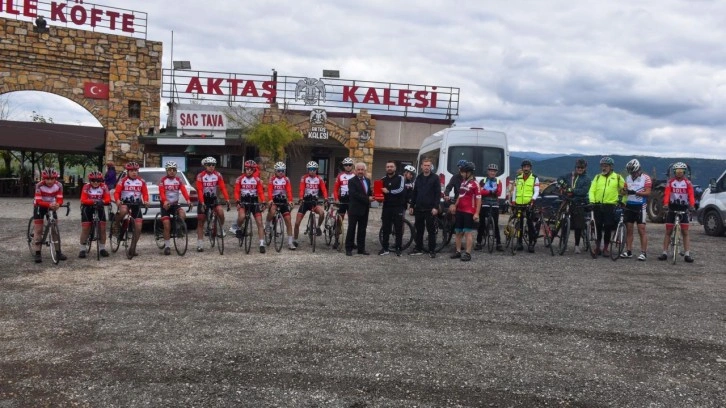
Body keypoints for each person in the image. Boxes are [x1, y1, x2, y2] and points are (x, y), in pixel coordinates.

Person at [588, 157, 626, 257]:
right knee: (598, 227)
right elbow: (592, 190)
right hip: (598, 204)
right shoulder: (597, 177)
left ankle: (605, 248)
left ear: (611, 167)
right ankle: (597, 247)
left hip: (610, 205)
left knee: (608, 227)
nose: (604, 168)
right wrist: (592, 201)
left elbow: (625, 191)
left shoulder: (618, 177)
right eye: (602, 166)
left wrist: (623, 201)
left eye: (606, 166)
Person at [658, 162, 696, 263]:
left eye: (681, 171)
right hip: (672, 207)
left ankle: (687, 254)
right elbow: (667, 194)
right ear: (674, 172)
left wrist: (692, 205)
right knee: (668, 231)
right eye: (677, 171)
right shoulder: (670, 182)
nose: (679, 172)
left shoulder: (688, 183)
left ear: (684, 172)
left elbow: (691, 195)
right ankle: (664, 253)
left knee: (685, 232)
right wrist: (665, 204)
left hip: (683, 207)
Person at [113, 162, 149, 256]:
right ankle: (116, 224)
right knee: (123, 210)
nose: (134, 172)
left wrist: (146, 201)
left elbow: (145, 193)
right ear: (128, 172)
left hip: (136, 205)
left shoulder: (141, 181)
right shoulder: (123, 181)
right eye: (132, 171)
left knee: (138, 227)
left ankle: (133, 248)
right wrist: (117, 200)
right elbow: (116, 193)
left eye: (136, 171)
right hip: (125, 203)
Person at [32, 167, 67, 263]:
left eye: (52, 179)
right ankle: (37, 253)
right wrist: (49, 205)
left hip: (52, 206)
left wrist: (58, 204)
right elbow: (38, 201)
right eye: (47, 179)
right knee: (38, 230)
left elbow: (60, 198)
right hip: (40, 206)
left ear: (55, 178)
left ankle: (58, 252)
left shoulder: (59, 185)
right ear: (44, 178)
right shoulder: (39, 185)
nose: (50, 181)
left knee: (54, 230)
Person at [195, 157, 230, 252]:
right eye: (209, 165)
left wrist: (227, 199)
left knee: (220, 212)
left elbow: (223, 188)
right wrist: (202, 202)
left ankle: (219, 228)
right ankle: (200, 244)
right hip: (203, 199)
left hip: (213, 198)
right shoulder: (200, 176)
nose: (211, 166)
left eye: (213, 165)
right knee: (201, 221)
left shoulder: (218, 175)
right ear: (205, 166)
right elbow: (199, 190)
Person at [556, 158, 591, 254]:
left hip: (579, 203)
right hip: (567, 201)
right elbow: (559, 179)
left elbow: (583, 191)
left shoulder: (587, 179)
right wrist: (564, 185)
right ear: (575, 167)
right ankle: (563, 243)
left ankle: (577, 245)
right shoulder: (570, 175)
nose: (580, 169)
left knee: (578, 226)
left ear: (585, 168)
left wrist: (572, 190)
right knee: (564, 223)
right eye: (578, 167)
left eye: (582, 167)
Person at [233, 160, 267, 253]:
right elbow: (236, 191)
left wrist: (263, 201)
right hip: (243, 201)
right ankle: (238, 228)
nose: (249, 171)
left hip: (254, 201)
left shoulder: (257, 180)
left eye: (251, 169)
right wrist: (237, 200)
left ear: (254, 170)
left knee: (259, 222)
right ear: (245, 169)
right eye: (247, 169)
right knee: (242, 216)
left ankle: (261, 244)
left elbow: (260, 192)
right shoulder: (240, 179)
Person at [409, 158, 440, 258]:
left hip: (430, 209)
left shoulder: (435, 178)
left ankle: (432, 250)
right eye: (425, 165)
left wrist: (436, 207)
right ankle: (419, 248)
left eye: (428, 165)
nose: (426, 167)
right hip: (419, 208)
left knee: (431, 231)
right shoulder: (418, 177)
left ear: (431, 166)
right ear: (421, 166)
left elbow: (437, 194)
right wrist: (412, 205)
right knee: (419, 230)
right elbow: (415, 192)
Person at [158, 161, 191, 256]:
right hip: (165, 205)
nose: (172, 171)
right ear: (167, 171)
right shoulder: (163, 180)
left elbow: (183, 190)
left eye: (174, 170)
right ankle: (167, 246)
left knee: (182, 214)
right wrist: (165, 201)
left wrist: (188, 200)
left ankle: (178, 228)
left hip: (175, 204)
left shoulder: (178, 180)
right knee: (167, 225)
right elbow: (161, 192)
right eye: (170, 170)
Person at [294, 161, 328, 248]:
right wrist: (301, 197)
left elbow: (324, 189)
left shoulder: (319, 179)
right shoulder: (304, 178)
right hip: (305, 202)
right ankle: (295, 239)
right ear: (308, 170)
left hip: (314, 202)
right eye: (310, 169)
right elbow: (301, 188)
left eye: (314, 169)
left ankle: (318, 227)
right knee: (297, 223)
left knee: (322, 213)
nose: (312, 171)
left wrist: (326, 198)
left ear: (316, 170)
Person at [622, 159, 651, 261]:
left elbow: (648, 192)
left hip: (640, 206)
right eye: (630, 172)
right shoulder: (627, 178)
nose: (632, 174)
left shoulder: (646, 178)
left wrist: (636, 193)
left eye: (634, 172)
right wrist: (624, 191)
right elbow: (624, 191)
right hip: (629, 205)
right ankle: (628, 251)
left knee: (641, 229)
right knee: (629, 229)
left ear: (638, 169)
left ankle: (643, 252)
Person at [451, 162, 481, 261]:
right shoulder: (463, 182)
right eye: (461, 172)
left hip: (469, 211)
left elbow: (479, 200)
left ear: (469, 172)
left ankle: (468, 253)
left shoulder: (475, 184)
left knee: (467, 232)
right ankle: (458, 251)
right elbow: (460, 196)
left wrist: (477, 213)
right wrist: (455, 205)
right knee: (458, 232)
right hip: (460, 210)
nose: (462, 174)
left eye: (463, 172)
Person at [78, 170, 111, 258]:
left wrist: (102, 202)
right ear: (90, 181)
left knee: (102, 229)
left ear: (101, 181)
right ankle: (82, 249)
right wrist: (95, 201)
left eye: (98, 180)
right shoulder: (86, 187)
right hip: (87, 208)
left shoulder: (104, 187)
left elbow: (108, 199)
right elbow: (83, 199)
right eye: (93, 180)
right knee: (86, 229)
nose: (96, 182)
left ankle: (102, 249)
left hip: (99, 207)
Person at [345, 162, 374, 256]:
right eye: (358, 169)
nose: (360, 171)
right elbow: (354, 194)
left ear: (365, 171)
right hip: (354, 209)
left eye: (362, 170)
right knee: (351, 229)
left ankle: (361, 249)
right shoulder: (351, 181)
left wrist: (374, 195)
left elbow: (368, 193)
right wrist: (367, 198)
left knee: (362, 230)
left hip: (364, 209)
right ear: (355, 170)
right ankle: (348, 249)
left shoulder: (368, 180)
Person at [511, 160, 540, 253]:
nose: (526, 168)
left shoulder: (534, 178)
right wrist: (513, 201)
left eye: (528, 167)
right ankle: (519, 243)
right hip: (519, 203)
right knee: (519, 224)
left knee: (530, 224)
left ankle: (531, 244)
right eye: (524, 167)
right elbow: (515, 190)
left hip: (529, 203)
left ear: (530, 168)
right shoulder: (518, 178)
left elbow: (536, 191)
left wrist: (533, 199)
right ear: (522, 168)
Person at [266, 161, 296, 250]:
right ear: (275, 171)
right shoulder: (272, 179)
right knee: (272, 211)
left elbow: (289, 190)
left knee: (288, 221)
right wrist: (270, 199)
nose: (281, 172)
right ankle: (267, 224)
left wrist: (290, 200)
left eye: (283, 171)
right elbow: (270, 190)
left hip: (283, 200)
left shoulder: (286, 179)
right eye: (279, 171)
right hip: (274, 199)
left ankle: (290, 242)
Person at [379, 161, 406, 256]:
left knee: (398, 228)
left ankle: (398, 248)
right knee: (386, 228)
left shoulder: (400, 178)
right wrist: (378, 197)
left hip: (398, 207)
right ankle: (385, 248)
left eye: (391, 166)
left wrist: (389, 191)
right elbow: (380, 193)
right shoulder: (383, 179)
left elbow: (401, 189)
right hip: (386, 207)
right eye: (388, 167)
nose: (389, 168)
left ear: (395, 168)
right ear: (386, 168)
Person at [476, 163, 503, 251]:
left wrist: (486, 191)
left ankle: (498, 243)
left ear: (496, 172)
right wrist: (491, 192)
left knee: (496, 224)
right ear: (488, 172)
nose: (492, 173)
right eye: (491, 171)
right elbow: (480, 192)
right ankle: (478, 242)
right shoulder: (483, 181)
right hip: (484, 203)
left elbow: (499, 193)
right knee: (482, 224)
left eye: (494, 171)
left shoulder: (498, 181)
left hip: (495, 204)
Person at [332, 157, 356, 249]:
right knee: (339, 221)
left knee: (352, 222)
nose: (348, 166)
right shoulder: (340, 176)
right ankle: (336, 240)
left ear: (352, 166)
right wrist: (336, 199)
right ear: (343, 166)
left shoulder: (355, 175)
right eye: (346, 165)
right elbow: (335, 189)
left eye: (350, 165)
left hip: (352, 200)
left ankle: (351, 241)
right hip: (342, 199)